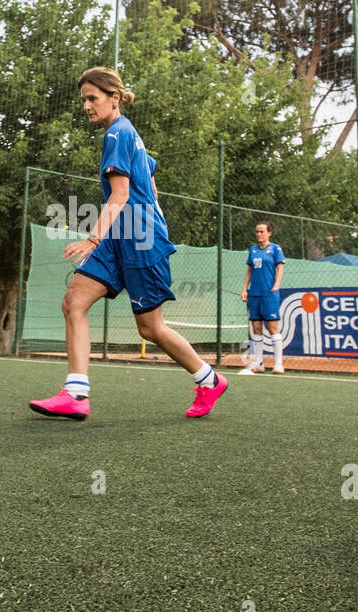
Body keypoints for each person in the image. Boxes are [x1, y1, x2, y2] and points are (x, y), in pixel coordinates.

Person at [30, 67, 227, 420]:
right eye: (84, 100)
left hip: (139, 238)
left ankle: (208, 380)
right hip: (121, 237)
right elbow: (148, 175)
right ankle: (75, 393)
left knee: (150, 328)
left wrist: (94, 237)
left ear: (114, 98)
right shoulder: (127, 133)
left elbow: (120, 193)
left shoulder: (117, 135)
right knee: (74, 301)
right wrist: (150, 206)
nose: (87, 106)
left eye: (93, 99)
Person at [239, 222, 285, 374]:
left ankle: (278, 364)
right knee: (256, 328)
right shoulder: (252, 250)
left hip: (269, 294)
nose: (259, 234)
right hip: (255, 294)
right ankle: (259, 363)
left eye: (262, 232)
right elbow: (249, 270)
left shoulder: (275, 249)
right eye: (257, 232)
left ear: (269, 233)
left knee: (272, 328)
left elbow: (280, 267)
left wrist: (276, 285)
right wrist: (245, 289)